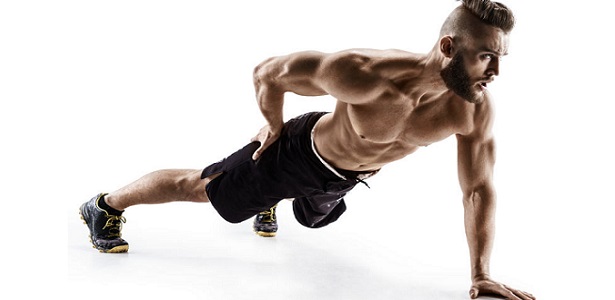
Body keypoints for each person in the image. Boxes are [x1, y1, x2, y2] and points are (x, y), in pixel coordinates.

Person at [79, 0, 535, 298]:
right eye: (484, 55)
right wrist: (273, 127)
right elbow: (268, 73)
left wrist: (479, 274)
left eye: (501, 58)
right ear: (449, 46)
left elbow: (478, 189)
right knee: (203, 188)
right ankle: (104, 205)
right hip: (299, 153)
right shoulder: (364, 73)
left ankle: (275, 202)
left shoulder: (473, 109)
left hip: (346, 179)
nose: (495, 70)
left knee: (312, 219)